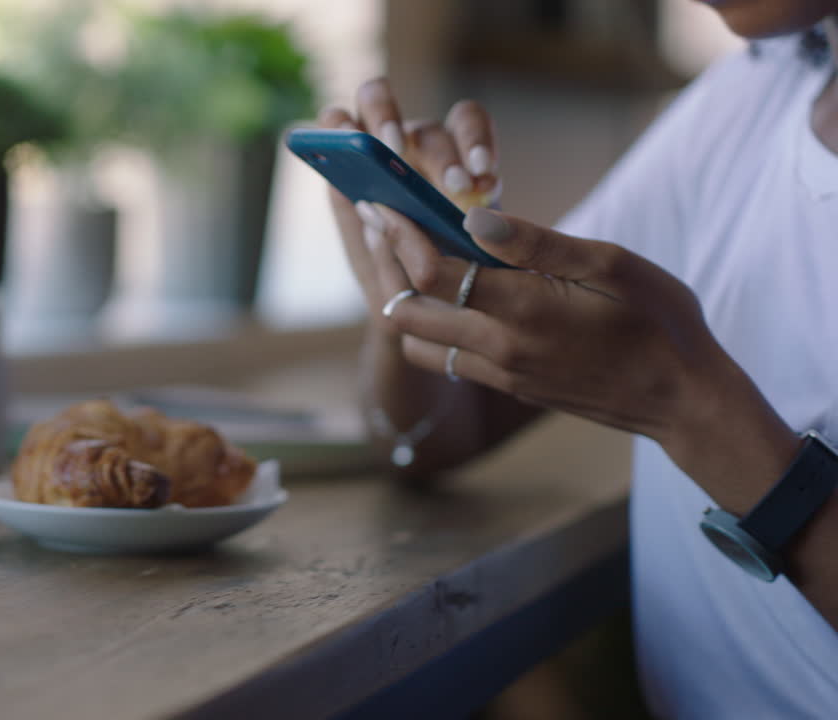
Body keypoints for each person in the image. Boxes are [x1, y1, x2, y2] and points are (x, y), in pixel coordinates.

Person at [320, 3, 838, 717]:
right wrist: (417, 281)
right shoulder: (750, 97)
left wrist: (692, 410)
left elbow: (675, 396)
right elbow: (442, 432)